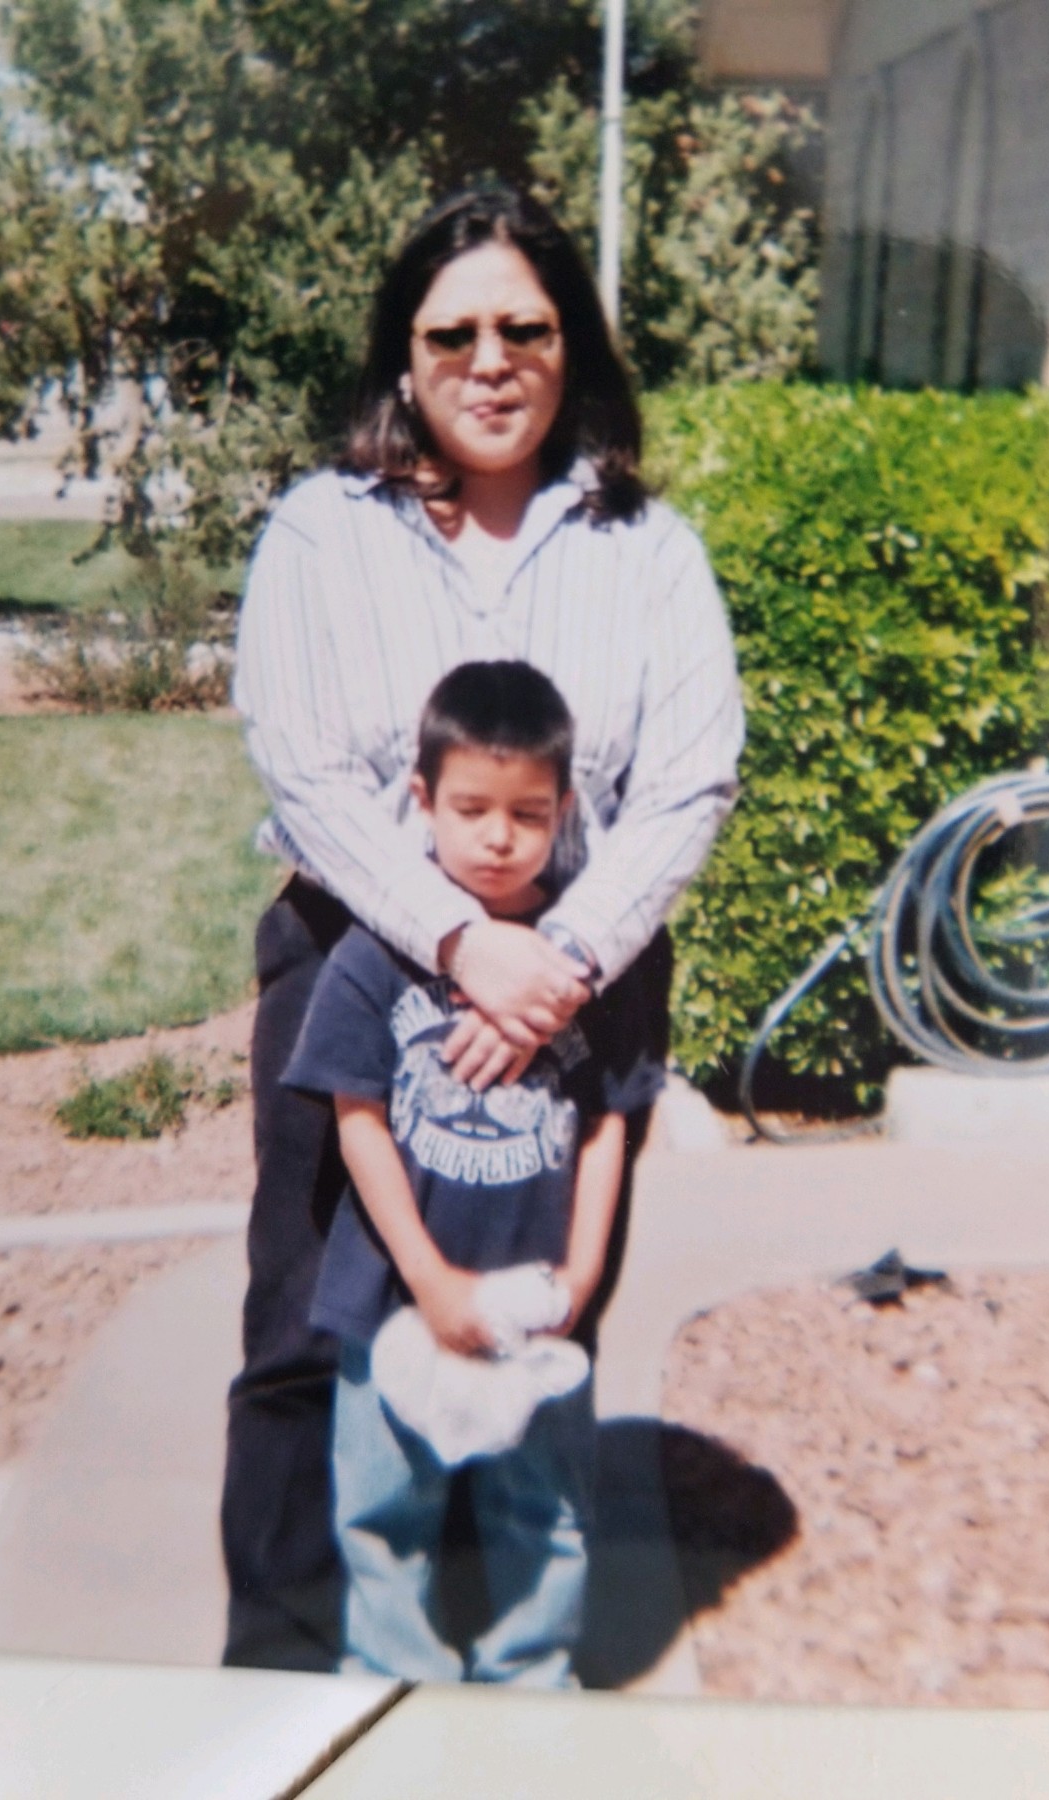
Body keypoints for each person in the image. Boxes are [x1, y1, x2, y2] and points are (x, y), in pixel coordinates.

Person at [224, 184, 744, 1672]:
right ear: (403, 354)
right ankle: (286, 1685)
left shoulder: (648, 549)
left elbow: (690, 777)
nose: (490, 360)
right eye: (451, 333)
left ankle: (494, 1665)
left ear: (574, 346)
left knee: (530, 1319)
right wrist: (463, 945)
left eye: (526, 326)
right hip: (355, 965)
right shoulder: (324, 533)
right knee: (312, 1328)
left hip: (583, 986)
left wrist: (561, 960)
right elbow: (303, 767)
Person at [281, 661, 663, 1684]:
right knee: (381, 1512)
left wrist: (581, 1276)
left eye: (527, 814)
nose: (498, 837)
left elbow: (608, 1123)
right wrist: (427, 1277)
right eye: (471, 809)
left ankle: (531, 1685)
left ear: (563, 810)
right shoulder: (376, 955)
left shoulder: (587, 968)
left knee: (544, 1512)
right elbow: (357, 1121)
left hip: (533, 1301)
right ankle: (395, 1691)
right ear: (423, 800)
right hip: (392, 1297)